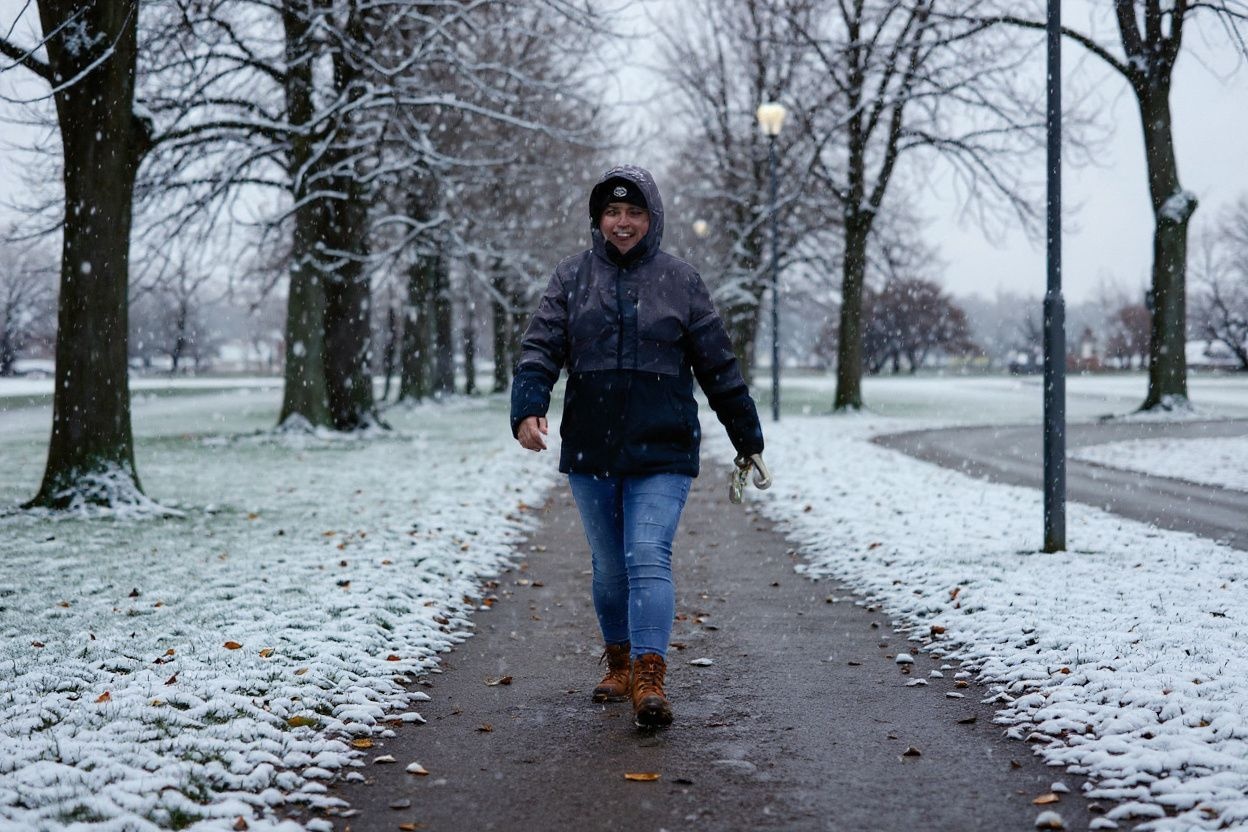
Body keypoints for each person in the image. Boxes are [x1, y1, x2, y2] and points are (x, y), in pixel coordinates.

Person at [511, 164, 764, 729]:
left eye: (634, 213)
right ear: (598, 219)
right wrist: (528, 406)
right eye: (612, 212)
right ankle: (620, 662)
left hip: (663, 446)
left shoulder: (682, 280)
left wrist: (746, 435)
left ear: (653, 219)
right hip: (591, 447)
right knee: (608, 568)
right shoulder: (571, 277)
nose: (622, 223)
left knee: (647, 553)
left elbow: (718, 364)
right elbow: (540, 346)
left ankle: (651, 676)